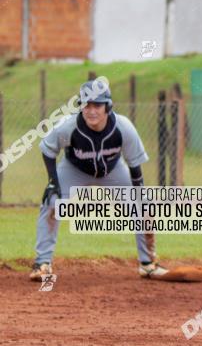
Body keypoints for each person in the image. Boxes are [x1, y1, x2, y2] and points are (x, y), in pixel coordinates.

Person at [30, 79, 163, 280]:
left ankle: (147, 263)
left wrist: (140, 193)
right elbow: (48, 149)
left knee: (143, 207)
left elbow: (135, 164)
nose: (92, 110)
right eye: (86, 105)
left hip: (113, 170)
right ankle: (42, 264)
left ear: (108, 107)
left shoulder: (123, 127)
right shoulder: (69, 126)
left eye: (97, 105)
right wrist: (52, 182)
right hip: (74, 169)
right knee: (52, 203)